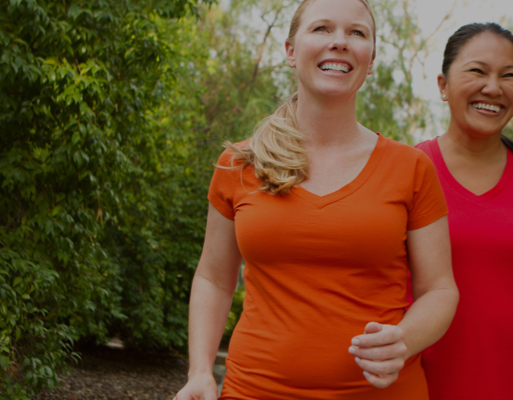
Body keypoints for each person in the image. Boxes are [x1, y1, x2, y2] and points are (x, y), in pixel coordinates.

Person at [175, 0, 459, 399]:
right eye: (321, 29)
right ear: (291, 51)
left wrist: (404, 340)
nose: (339, 42)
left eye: (356, 33)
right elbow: (214, 278)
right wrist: (201, 370)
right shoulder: (240, 162)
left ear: (371, 59)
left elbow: (440, 290)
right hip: (254, 390)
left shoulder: (411, 168)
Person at [414, 23, 513, 400]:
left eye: (509, 76)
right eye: (477, 71)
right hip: (417, 388)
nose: (493, 87)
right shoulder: (406, 170)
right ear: (442, 85)